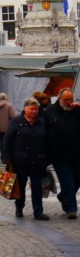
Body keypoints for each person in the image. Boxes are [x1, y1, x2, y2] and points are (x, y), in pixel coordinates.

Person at [3, 97, 50, 220]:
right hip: (20, 161)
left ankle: (38, 212)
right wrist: (6, 158)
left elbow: (47, 141)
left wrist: (47, 158)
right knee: (21, 187)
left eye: (36, 109)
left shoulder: (41, 122)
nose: (34, 112)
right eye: (32, 109)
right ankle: (19, 207)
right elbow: (7, 140)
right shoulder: (16, 122)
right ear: (25, 109)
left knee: (37, 187)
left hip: (38, 161)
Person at [44, 88, 80, 219]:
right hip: (59, 154)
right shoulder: (50, 111)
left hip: (77, 153)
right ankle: (71, 209)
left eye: (71, 99)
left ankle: (63, 196)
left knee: (77, 180)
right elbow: (44, 132)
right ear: (60, 99)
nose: (69, 102)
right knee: (67, 182)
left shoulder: (77, 110)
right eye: (66, 99)